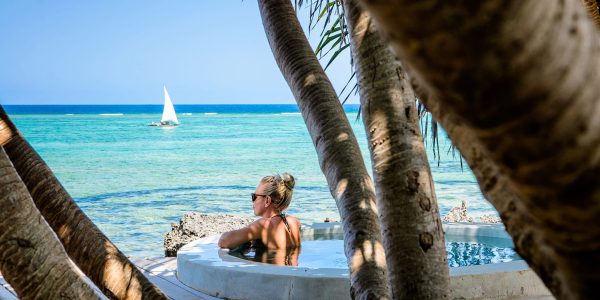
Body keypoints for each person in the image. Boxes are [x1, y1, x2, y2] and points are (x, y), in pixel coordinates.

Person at [218, 173, 301, 252]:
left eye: (254, 197)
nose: (252, 201)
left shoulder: (264, 225)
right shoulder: (295, 222)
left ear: (267, 201)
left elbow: (223, 241)